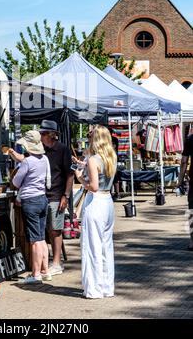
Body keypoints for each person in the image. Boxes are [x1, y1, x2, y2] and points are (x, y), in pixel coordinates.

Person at [75, 125, 117, 299]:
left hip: (97, 201)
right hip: (108, 201)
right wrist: (85, 163)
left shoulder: (94, 159)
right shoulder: (111, 157)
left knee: (92, 246)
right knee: (106, 246)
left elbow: (93, 186)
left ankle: (94, 288)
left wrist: (80, 178)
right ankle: (107, 287)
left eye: (90, 135)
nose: (88, 138)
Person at [10, 130, 52, 284]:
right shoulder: (44, 159)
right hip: (42, 199)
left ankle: (35, 274)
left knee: (34, 240)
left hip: (30, 201)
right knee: (41, 238)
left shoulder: (28, 162)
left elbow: (16, 182)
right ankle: (45, 271)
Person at [39, 120, 74, 276]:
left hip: (57, 194)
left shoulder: (63, 150)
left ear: (52, 135)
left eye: (43, 134)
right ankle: (49, 261)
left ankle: (57, 263)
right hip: (43, 194)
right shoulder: (41, 150)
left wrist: (65, 196)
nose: (41, 136)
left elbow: (70, 174)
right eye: (41, 134)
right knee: (48, 230)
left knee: (56, 230)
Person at [176, 132, 193, 251]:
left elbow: (184, 162)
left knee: (192, 212)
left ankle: (192, 242)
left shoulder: (190, 139)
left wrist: (180, 180)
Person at [108, 127, 120, 200]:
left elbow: (114, 148)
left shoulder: (114, 139)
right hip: (107, 159)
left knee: (115, 177)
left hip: (113, 159)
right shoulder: (105, 140)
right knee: (108, 176)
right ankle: (109, 192)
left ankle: (117, 193)